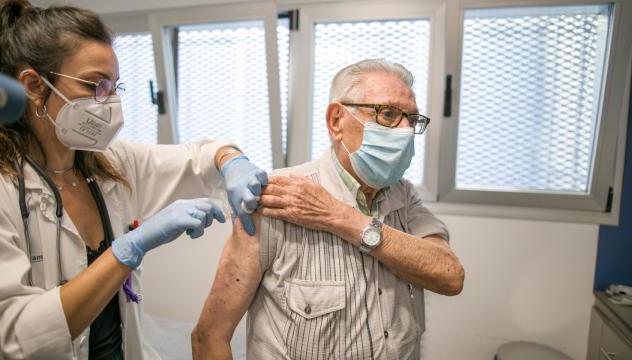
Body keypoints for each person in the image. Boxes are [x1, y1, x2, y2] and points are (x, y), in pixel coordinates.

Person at [0, 0, 267, 358]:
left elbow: (200, 157)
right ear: (33, 85)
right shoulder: (1, 185)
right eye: (94, 85)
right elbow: (12, 335)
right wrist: (126, 251)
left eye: (113, 87)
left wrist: (233, 162)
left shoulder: (111, 164)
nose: (108, 103)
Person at [191, 59, 465, 359]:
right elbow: (209, 337)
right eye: (388, 114)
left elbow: (450, 277)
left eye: (412, 120)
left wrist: (342, 218)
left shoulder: (404, 197)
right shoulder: (278, 198)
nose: (405, 131)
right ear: (336, 121)